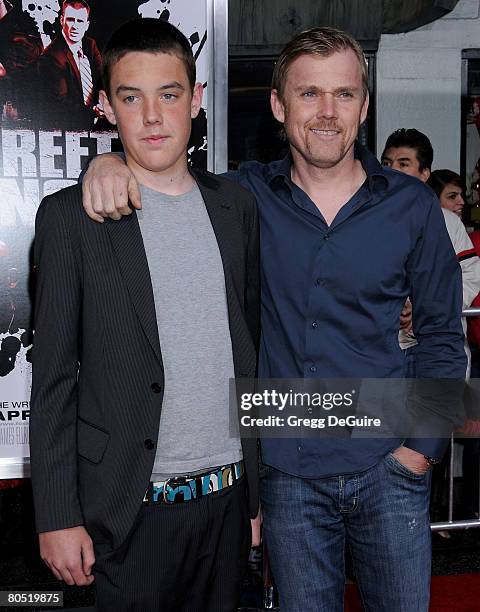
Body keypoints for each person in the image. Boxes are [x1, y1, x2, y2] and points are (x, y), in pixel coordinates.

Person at [80, 27, 466, 612]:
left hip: (390, 465)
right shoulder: (240, 199)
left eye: (343, 94)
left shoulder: (410, 205)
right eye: (309, 94)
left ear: (364, 105)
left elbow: (443, 334)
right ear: (280, 106)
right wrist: (107, 163)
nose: (327, 113)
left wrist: (421, 452)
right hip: (286, 470)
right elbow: (161, 172)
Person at [30, 18, 260, 612]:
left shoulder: (235, 207)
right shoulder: (70, 219)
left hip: (228, 507)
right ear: (106, 106)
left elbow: (247, 350)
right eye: (132, 97)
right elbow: (53, 379)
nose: (152, 116)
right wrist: (57, 515)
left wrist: (254, 499)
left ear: (197, 99)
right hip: (126, 514)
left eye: (169, 94)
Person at [382, 129, 480, 377]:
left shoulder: (448, 222)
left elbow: (470, 274)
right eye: (387, 163)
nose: (392, 171)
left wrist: (425, 308)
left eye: (404, 164)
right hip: (383, 349)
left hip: (433, 348)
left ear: (424, 174)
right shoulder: (368, 221)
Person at [36, 0, 102, 127]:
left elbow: (103, 78)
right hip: (70, 126)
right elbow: (61, 106)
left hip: (98, 119)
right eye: (71, 20)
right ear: (62, 20)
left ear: (87, 25)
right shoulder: (50, 58)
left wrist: (104, 102)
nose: (75, 26)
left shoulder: (90, 45)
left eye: (80, 21)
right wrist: (95, 112)